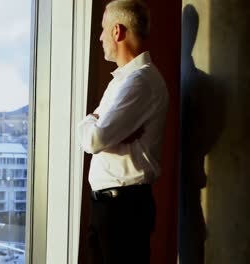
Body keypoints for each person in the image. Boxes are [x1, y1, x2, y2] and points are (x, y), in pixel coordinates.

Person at [77, 0, 169, 263]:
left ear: (117, 31)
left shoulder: (140, 82)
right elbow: (100, 135)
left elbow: (94, 139)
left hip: (123, 211)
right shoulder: (123, 81)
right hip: (112, 208)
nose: (100, 36)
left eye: (103, 29)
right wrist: (97, 124)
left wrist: (90, 121)